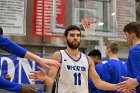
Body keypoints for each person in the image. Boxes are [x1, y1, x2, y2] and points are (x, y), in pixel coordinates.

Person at [29, 25, 130, 93]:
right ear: (65, 38)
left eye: (78, 35)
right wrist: (44, 78)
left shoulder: (88, 60)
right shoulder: (58, 55)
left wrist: (117, 87)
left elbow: (98, 83)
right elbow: (50, 81)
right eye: (72, 35)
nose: (75, 38)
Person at [0, 26, 60, 93]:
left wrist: (39, 59)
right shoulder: (58, 55)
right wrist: (20, 88)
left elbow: (8, 45)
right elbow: (8, 44)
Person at [117, 22, 140, 92]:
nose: (125, 37)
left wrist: (136, 81)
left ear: (132, 35)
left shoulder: (135, 50)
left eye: (126, 34)